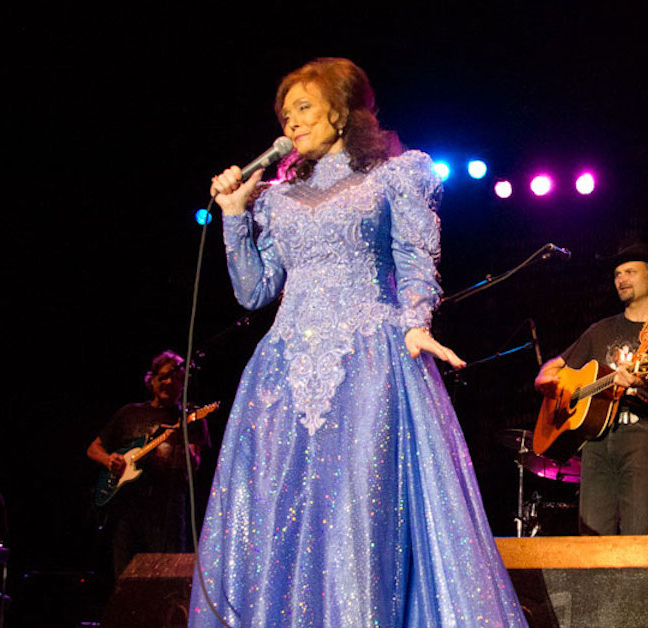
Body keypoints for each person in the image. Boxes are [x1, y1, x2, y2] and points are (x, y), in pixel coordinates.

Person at [194, 58, 526, 626]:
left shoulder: (392, 177)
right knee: (284, 513)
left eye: (303, 106)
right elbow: (255, 292)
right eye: (285, 111)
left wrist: (417, 321)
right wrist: (232, 216)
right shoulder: (276, 197)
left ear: (342, 110)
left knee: (359, 507)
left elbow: (414, 260)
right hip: (284, 370)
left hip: (368, 359)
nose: (291, 120)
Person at [534, 246, 648, 535]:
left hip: (641, 438)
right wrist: (546, 381)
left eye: (630, 272)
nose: (621, 279)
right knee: (592, 538)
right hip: (595, 442)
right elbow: (551, 368)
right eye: (617, 274)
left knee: (638, 537)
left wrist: (639, 380)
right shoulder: (599, 330)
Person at [86, 350, 202, 578]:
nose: (169, 382)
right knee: (126, 575)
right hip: (128, 507)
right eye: (163, 377)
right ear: (152, 381)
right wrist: (110, 460)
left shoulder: (190, 418)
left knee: (165, 577)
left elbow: (194, 465)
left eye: (176, 378)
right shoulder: (129, 413)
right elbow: (93, 448)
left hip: (168, 510)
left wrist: (182, 438)